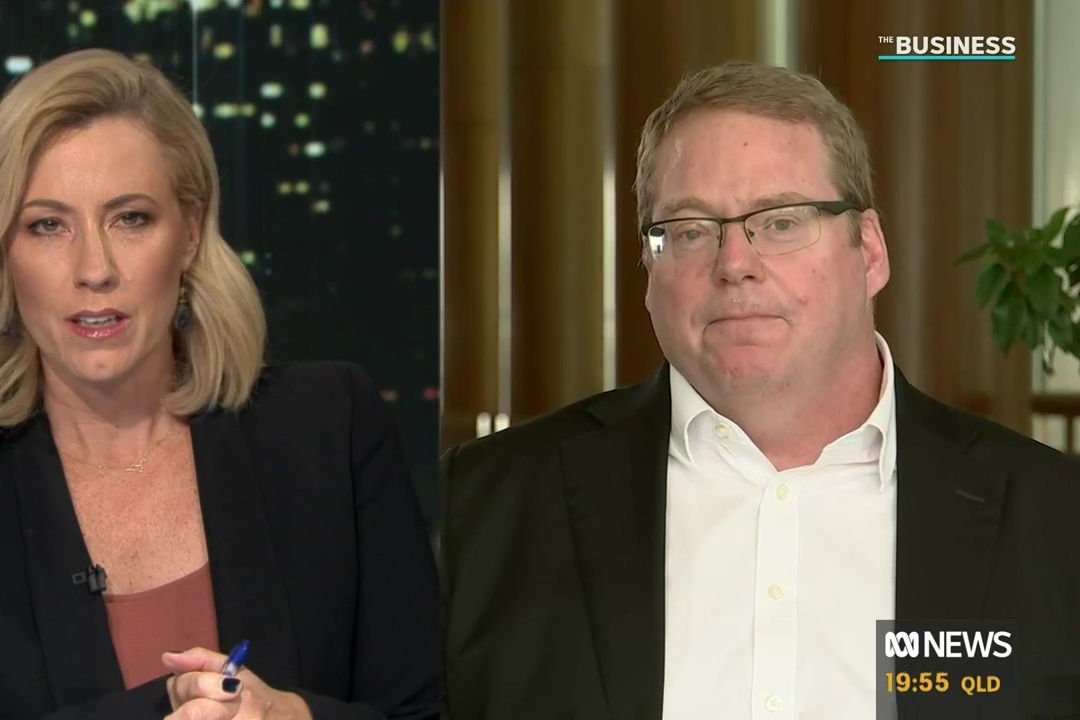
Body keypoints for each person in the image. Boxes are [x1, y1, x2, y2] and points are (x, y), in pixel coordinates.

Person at [440, 61, 1080, 719]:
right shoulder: (483, 506)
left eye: (780, 222)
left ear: (869, 250)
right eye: (691, 230)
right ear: (649, 273)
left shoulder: (1053, 517)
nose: (735, 265)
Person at [0, 48, 439, 720]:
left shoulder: (330, 428)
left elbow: (428, 710)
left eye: (130, 218)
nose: (94, 268)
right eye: (47, 225)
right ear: (2, 252)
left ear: (189, 232)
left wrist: (295, 717)